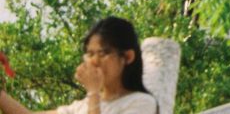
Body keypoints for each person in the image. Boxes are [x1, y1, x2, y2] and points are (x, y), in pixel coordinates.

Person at [0, 17, 156, 114]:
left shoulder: (142, 103)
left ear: (128, 57)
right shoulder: (82, 107)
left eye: (102, 53)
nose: (94, 61)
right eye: (90, 54)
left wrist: (93, 92)